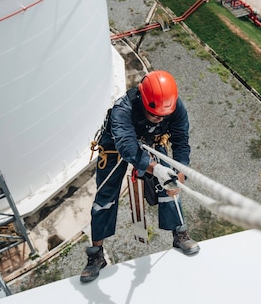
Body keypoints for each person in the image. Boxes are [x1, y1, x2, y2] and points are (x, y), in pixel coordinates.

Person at [80, 70, 200, 283]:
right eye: (154, 115)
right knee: (104, 198)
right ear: (143, 102)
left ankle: (180, 234)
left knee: (170, 189)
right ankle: (96, 255)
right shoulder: (123, 109)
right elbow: (127, 147)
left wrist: (179, 175)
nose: (159, 118)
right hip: (115, 146)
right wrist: (155, 169)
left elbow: (181, 140)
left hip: (152, 141)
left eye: (164, 116)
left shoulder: (174, 106)